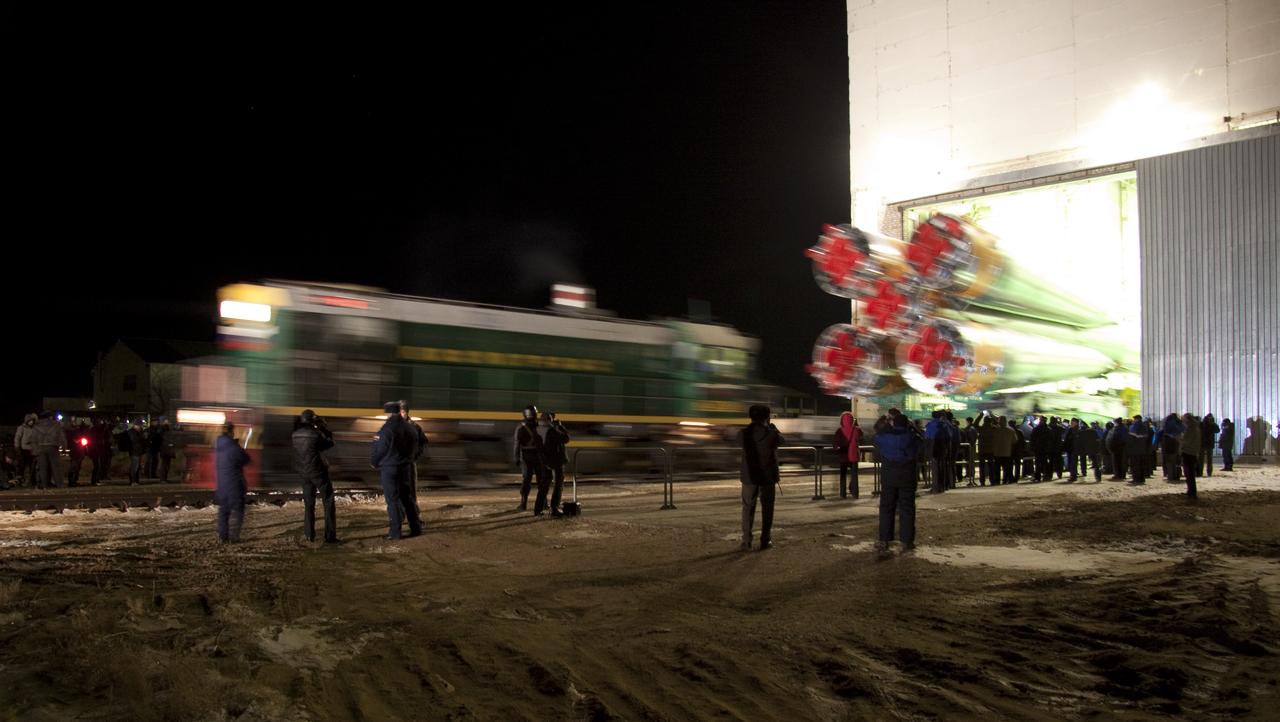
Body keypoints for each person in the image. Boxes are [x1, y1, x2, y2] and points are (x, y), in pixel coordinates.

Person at [371, 401, 421, 539]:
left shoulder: (387, 429)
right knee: (407, 498)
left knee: (392, 500)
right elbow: (416, 447)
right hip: (405, 467)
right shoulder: (410, 428)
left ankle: (395, 532)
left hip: (389, 468)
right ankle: (416, 527)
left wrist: (374, 462)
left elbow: (380, 449)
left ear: (388, 413)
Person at [874, 413, 919, 554]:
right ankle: (906, 541)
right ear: (907, 424)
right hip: (907, 476)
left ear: (893, 423)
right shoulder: (912, 438)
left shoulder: (884, 438)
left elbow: (876, 433)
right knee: (907, 508)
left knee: (886, 507)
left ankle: (884, 539)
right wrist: (914, 428)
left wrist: (884, 422)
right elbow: (923, 445)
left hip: (889, 476)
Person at [739, 404, 782, 551]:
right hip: (767, 477)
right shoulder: (772, 434)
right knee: (767, 508)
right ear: (767, 417)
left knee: (747, 508)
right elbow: (782, 441)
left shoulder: (743, 433)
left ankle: (746, 541)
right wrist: (773, 428)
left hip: (749, 476)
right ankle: (765, 540)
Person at [292, 409, 337, 543]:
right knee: (328, 501)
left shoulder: (294, 435)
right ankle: (330, 536)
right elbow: (330, 443)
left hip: (304, 473)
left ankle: (309, 534)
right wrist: (323, 427)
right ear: (313, 420)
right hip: (318, 472)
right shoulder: (316, 434)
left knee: (309, 503)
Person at [214, 423, 251, 543]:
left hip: (222, 484)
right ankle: (234, 537)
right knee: (238, 510)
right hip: (234, 484)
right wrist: (238, 445)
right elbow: (246, 459)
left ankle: (222, 536)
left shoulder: (219, 446)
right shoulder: (233, 447)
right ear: (231, 432)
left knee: (224, 511)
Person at [400, 401, 429, 530]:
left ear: (406, 412)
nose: (401, 414)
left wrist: (414, 456)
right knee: (398, 493)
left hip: (409, 465)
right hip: (398, 464)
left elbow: (423, 442)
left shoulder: (415, 427)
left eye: (403, 411)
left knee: (411, 492)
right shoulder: (394, 426)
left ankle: (415, 518)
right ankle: (399, 518)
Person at [513, 405, 547, 513]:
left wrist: (517, 458)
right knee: (541, 480)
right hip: (538, 456)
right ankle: (544, 503)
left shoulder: (520, 427)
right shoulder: (540, 426)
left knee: (527, 480)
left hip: (526, 457)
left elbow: (517, 444)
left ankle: (523, 504)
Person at [539, 411, 570, 516]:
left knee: (544, 484)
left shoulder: (539, 429)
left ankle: (541, 506)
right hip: (555, 460)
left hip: (544, 460)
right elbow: (566, 438)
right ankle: (554, 507)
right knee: (558, 484)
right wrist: (560, 427)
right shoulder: (552, 430)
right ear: (549, 420)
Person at [31, 412, 67, 489]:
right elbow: (61, 437)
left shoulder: (36, 426)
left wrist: (34, 450)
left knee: (43, 468)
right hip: (53, 446)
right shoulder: (56, 425)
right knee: (56, 467)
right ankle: (59, 485)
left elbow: (33, 439)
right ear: (50, 417)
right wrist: (64, 447)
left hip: (41, 447)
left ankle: (44, 485)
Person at [833, 412, 862, 498]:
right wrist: (856, 425)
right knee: (854, 477)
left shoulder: (839, 431)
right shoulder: (856, 430)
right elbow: (861, 435)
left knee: (843, 476)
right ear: (852, 420)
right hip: (853, 456)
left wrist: (836, 448)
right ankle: (855, 494)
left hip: (843, 456)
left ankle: (843, 494)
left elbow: (835, 443)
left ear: (842, 420)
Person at [924, 411, 950, 493]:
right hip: (942, 449)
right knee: (942, 468)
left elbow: (926, 438)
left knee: (935, 469)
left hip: (933, 450)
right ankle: (942, 487)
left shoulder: (930, 425)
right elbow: (949, 436)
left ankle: (935, 488)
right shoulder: (944, 425)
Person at [1073, 418, 1102, 482]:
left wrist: (1078, 450)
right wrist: (1097, 449)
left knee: (1083, 460)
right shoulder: (1093, 431)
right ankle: (1098, 477)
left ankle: (1084, 472)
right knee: (1095, 463)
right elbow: (1097, 440)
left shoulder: (1080, 433)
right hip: (1092, 449)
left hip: (1083, 449)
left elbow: (1078, 442)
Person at [1179, 412, 1200, 498]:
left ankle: (1191, 492)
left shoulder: (1191, 429)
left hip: (1188, 452)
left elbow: (1187, 441)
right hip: (1193, 452)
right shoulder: (1196, 428)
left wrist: (1179, 439)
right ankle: (1191, 491)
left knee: (1189, 474)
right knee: (1190, 474)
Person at [1126, 415, 1150, 484]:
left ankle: (1136, 479)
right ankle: (1141, 478)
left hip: (1134, 450)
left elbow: (1130, 439)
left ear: (1136, 419)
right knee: (1141, 464)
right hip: (1142, 449)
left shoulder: (1133, 427)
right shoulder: (1144, 427)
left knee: (1135, 465)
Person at [66, 419, 91, 486]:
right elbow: (74, 441)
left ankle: (74, 480)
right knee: (74, 466)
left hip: (79, 451)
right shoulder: (75, 433)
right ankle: (72, 481)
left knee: (77, 466)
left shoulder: (79, 433)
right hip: (76, 451)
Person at [15, 414, 37, 487]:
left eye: (32, 421)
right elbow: (17, 438)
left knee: (32, 467)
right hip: (24, 449)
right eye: (30, 421)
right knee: (22, 466)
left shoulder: (34, 428)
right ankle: (19, 480)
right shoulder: (21, 428)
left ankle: (32, 481)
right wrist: (17, 447)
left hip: (32, 449)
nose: (31, 422)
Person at [1029, 416, 1053, 482]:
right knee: (1044, 463)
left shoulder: (1036, 429)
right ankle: (1046, 476)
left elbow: (1032, 439)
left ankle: (1037, 477)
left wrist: (1032, 448)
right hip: (1045, 449)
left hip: (1038, 449)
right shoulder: (1048, 429)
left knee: (1038, 463)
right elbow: (1050, 440)